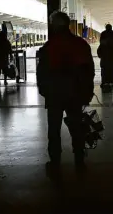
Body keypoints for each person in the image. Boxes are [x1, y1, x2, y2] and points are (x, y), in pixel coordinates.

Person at [37, 11, 95, 176]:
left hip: (54, 94)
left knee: (54, 129)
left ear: (54, 26)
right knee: (76, 127)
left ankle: (55, 161)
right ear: (68, 25)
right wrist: (87, 91)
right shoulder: (81, 44)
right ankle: (79, 159)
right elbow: (89, 70)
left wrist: (44, 91)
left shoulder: (49, 47)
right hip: (75, 93)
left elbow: (42, 73)